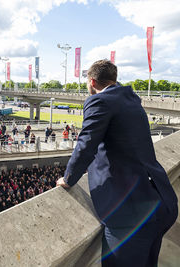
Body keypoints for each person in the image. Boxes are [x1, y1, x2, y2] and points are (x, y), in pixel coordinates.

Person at [56, 60, 178, 266]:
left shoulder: (99, 101)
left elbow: (86, 144)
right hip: (161, 201)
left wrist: (68, 178)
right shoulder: (131, 98)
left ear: (92, 81)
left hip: (130, 214)